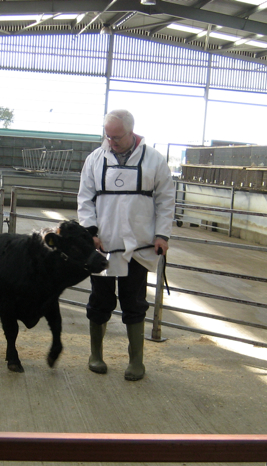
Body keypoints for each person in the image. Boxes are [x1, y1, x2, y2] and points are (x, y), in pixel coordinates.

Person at [77, 109, 175, 381]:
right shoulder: (95, 159)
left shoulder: (154, 159)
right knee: (100, 301)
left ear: (132, 132)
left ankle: (136, 362)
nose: (111, 141)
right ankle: (95, 355)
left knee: (134, 303)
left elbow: (166, 199)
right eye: (107, 136)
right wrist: (90, 231)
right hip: (103, 246)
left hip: (139, 247)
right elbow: (85, 198)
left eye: (117, 137)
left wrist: (162, 235)